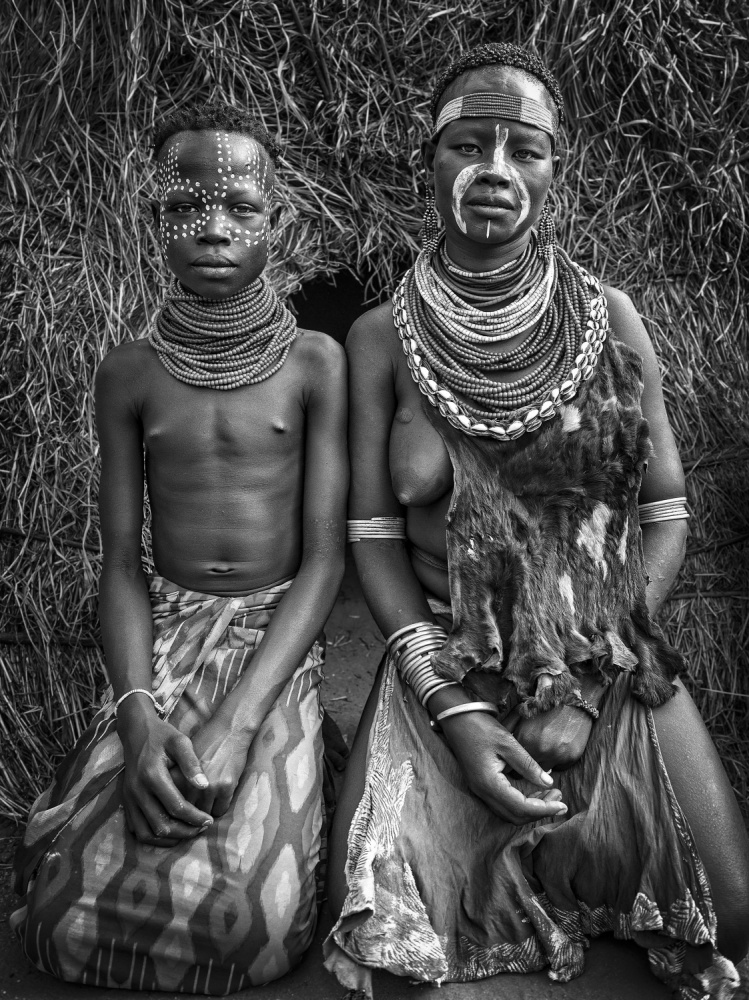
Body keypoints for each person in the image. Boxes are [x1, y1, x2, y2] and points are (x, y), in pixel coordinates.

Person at [325, 43, 749, 1000]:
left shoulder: (609, 315)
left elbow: (666, 515)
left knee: (726, 913)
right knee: (382, 941)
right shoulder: (380, 339)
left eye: (526, 150)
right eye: (467, 145)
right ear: (426, 164)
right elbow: (372, 541)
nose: (494, 172)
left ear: (558, 170)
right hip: (445, 656)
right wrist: (453, 708)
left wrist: (589, 684)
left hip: (599, 647)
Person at [12, 101, 348, 994]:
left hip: (272, 643)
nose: (212, 227)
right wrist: (135, 711)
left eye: (240, 207)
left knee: (248, 929)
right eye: (184, 208)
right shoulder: (128, 370)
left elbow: (324, 561)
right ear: (152, 223)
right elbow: (120, 562)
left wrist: (240, 722)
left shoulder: (316, 363)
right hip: (163, 640)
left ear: (276, 222)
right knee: (62, 919)